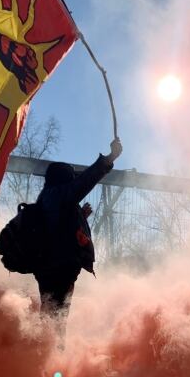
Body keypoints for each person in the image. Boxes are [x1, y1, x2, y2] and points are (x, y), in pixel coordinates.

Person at [35, 138, 123, 339]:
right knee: (56, 318)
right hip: (58, 267)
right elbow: (85, 182)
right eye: (70, 178)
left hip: (50, 267)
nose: (73, 181)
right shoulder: (58, 194)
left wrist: (81, 216)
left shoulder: (48, 197)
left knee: (51, 314)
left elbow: (57, 227)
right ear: (64, 178)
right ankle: (50, 360)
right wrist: (110, 158)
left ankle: (43, 356)